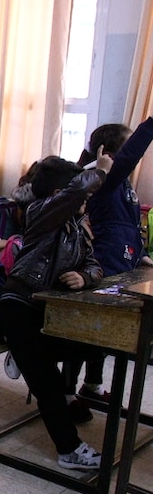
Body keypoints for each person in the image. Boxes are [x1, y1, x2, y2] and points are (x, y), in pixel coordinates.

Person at [0, 151, 111, 470]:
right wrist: (99, 171)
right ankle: (69, 450)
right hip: (19, 305)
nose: (86, 198)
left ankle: (22, 352)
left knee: (90, 345)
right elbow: (77, 190)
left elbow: (93, 263)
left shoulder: (76, 225)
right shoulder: (39, 212)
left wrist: (85, 276)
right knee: (47, 384)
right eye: (82, 193)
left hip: (46, 312)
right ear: (59, 195)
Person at [69, 116, 153, 411]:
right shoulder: (104, 178)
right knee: (86, 331)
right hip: (104, 264)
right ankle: (66, 392)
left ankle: (91, 385)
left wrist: (140, 253)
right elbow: (130, 156)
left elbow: (129, 224)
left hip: (124, 263)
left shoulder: (123, 184)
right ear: (109, 154)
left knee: (103, 331)